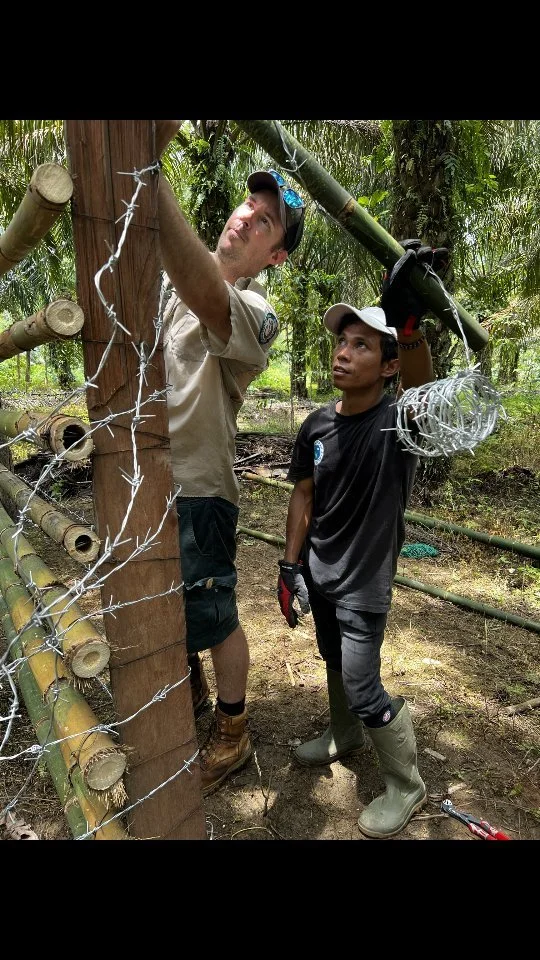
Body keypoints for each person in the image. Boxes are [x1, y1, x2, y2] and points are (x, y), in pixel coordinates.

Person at [276, 241, 448, 838]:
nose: (343, 353)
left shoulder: (399, 422)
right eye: (342, 342)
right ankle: (345, 733)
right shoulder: (317, 425)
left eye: (362, 346)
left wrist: (408, 327)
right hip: (319, 574)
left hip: (365, 584)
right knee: (333, 661)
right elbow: (303, 497)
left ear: (388, 366)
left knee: (361, 682)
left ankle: (406, 784)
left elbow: (427, 396)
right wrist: (289, 566)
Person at [155, 121, 306, 796]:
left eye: (265, 221)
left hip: (201, 488)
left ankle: (233, 728)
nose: (247, 216)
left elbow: (205, 293)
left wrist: (148, 178)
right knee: (169, 601)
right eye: (249, 204)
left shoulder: (254, 309)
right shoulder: (168, 290)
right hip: (151, 481)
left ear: (275, 255)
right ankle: (186, 692)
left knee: (215, 615)